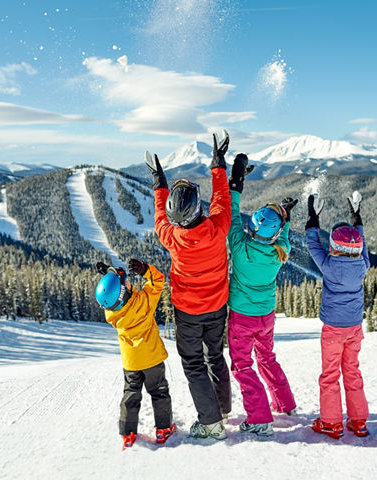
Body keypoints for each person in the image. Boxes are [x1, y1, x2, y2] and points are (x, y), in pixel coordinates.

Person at [144, 132, 232, 440]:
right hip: (218, 307)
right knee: (215, 356)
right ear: (198, 209)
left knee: (195, 364)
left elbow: (158, 217)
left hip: (188, 313)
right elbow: (222, 196)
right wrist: (217, 163)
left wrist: (159, 181)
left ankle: (211, 423)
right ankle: (221, 409)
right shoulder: (218, 227)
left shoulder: (170, 237)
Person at [226, 153, 298, 437]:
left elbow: (232, 215)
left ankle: (259, 418)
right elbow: (284, 236)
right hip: (266, 316)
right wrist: (286, 217)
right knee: (267, 358)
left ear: (253, 225)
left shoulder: (240, 245)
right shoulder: (280, 252)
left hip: (242, 317)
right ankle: (285, 404)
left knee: (243, 365)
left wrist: (236, 185)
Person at [305, 192, 372, 439]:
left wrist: (313, 217)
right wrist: (357, 216)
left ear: (333, 246)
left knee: (330, 375)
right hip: (355, 329)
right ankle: (358, 421)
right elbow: (362, 240)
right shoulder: (363, 265)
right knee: (352, 372)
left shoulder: (330, 266)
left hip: (333, 330)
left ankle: (331, 423)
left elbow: (312, 244)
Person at [94, 258, 176, 449]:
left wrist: (109, 274)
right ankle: (163, 429)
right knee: (159, 392)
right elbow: (158, 280)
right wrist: (146, 270)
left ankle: (127, 433)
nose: (130, 281)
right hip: (152, 358)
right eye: (127, 283)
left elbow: (112, 293)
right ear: (124, 291)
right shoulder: (144, 301)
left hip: (131, 361)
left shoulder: (112, 313)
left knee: (131, 394)